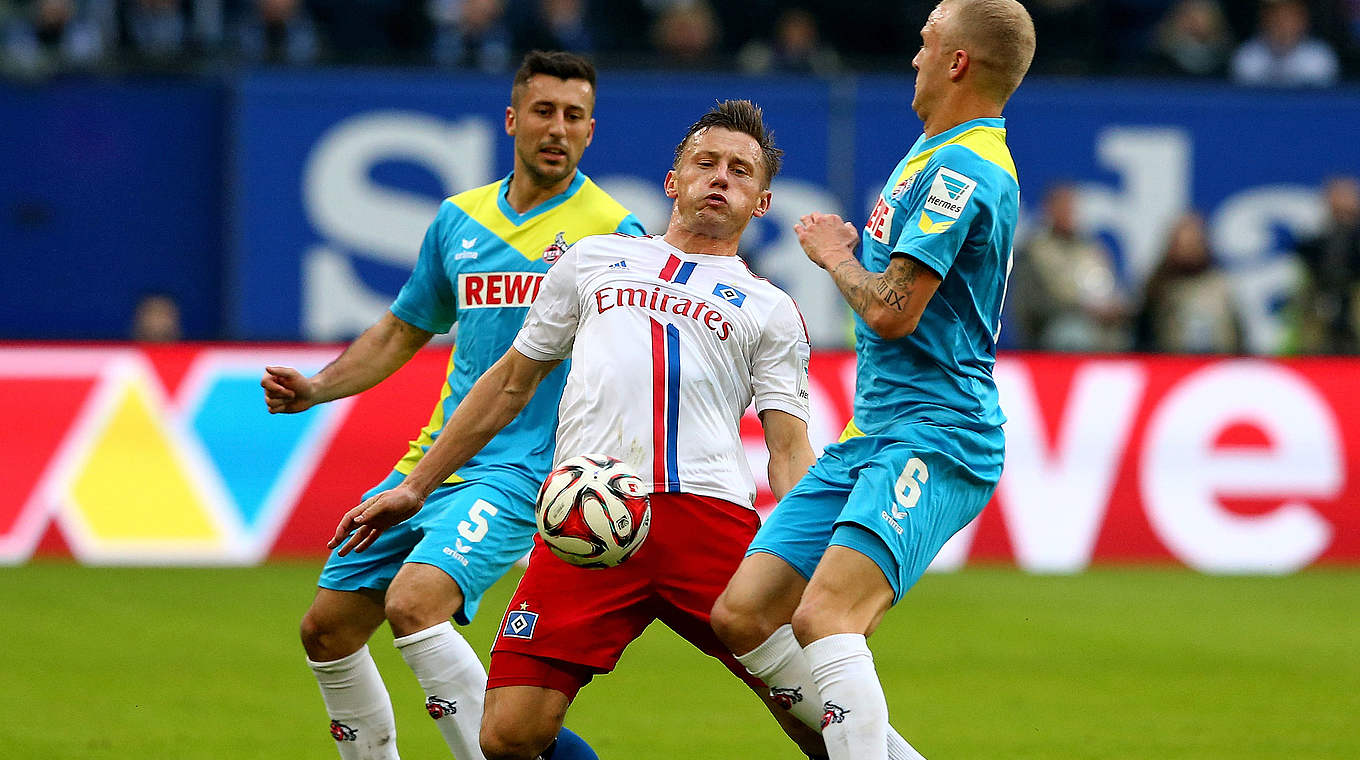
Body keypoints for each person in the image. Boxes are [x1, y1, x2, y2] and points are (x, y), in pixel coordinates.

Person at [329, 99, 826, 760]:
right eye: (705, 163)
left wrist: (809, 556)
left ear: (762, 202)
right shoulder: (594, 262)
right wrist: (418, 486)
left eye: (740, 171)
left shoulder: (770, 309)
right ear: (673, 181)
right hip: (586, 518)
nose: (720, 178)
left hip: (708, 524)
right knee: (508, 735)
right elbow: (510, 382)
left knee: (818, 717)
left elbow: (788, 448)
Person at [262, 50, 644, 760]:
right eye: (543, 112)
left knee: (415, 605)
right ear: (512, 119)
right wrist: (316, 389)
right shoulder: (457, 221)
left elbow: (631, 367)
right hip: (434, 463)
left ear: (591, 131)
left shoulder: (612, 235)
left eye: (573, 116)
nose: (556, 129)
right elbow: (403, 329)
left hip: (522, 471)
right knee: (326, 629)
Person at [710, 3, 1035, 760]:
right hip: (873, 433)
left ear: (958, 64)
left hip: (938, 432)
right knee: (744, 616)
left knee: (826, 618)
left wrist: (832, 256)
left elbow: (893, 312)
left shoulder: (963, 169)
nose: (914, 56)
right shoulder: (936, 151)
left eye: (927, 44)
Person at [1011, 182, 1130, 351]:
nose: (1069, 213)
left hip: (1096, 323)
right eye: (1063, 207)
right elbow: (1037, 303)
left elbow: (1107, 285)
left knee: (1121, 338)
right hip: (1052, 325)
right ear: (1049, 210)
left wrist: (1113, 307)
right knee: (1073, 334)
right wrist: (1085, 307)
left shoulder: (1090, 248)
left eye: (1072, 207)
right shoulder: (1035, 251)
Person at [1133, 210, 1243, 354]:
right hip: (1168, 366)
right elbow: (1143, 338)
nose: (1189, 249)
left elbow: (1238, 336)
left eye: (1194, 242)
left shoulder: (1221, 286)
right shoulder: (1157, 287)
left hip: (1217, 367)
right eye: (1183, 243)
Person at [1293, 175, 1360, 354]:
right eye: (1337, 203)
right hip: (1319, 339)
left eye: (1349, 199)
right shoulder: (1311, 249)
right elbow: (1298, 306)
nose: (1343, 206)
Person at [1230, 0, 1339, 87]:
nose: (1282, 23)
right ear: (1263, 19)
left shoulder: (1319, 58)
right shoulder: (1247, 57)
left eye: (1290, 17)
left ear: (1303, 19)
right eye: (1276, 16)